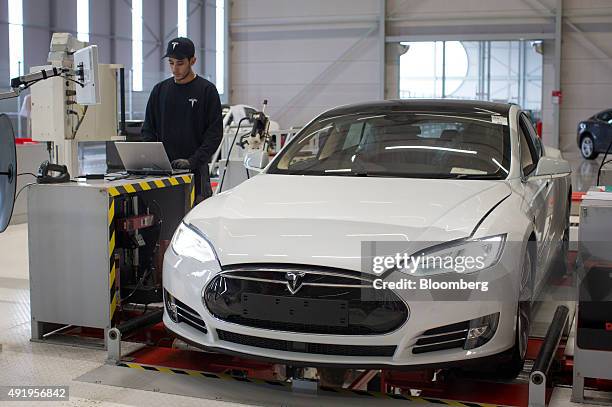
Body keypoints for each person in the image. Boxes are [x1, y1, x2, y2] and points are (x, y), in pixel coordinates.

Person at [142, 37, 223, 201]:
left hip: (196, 174)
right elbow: (148, 130)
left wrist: (192, 161)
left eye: (180, 63)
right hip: (164, 174)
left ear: (192, 61)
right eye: (171, 63)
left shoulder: (206, 91)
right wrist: (156, 160)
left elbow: (214, 134)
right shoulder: (160, 91)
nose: (174, 69)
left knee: (195, 219)